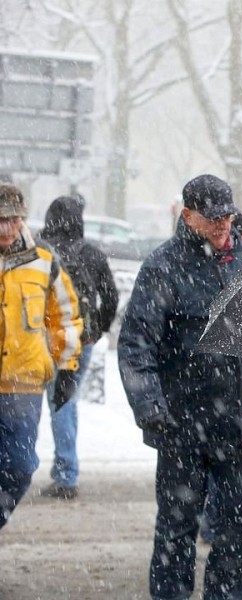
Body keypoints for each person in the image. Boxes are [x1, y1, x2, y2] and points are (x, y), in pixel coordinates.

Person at [117, 174, 242, 600]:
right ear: (188, 215)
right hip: (181, 425)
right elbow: (135, 344)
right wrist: (149, 405)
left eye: (227, 215)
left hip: (240, 424)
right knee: (177, 526)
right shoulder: (162, 267)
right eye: (213, 218)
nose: (223, 224)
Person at [0, 183, 83, 529]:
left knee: (20, 468)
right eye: (0, 220)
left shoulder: (44, 262)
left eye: (13, 220)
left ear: (23, 220)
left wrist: (66, 369)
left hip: (23, 387)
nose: (6, 228)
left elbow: (65, 317)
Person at [37, 195, 119, 500]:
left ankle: (59, 472)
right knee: (65, 403)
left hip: (44, 340)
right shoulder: (93, 255)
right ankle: (65, 471)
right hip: (80, 341)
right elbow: (110, 298)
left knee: (35, 405)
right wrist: (95, 331)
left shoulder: (42, 253)